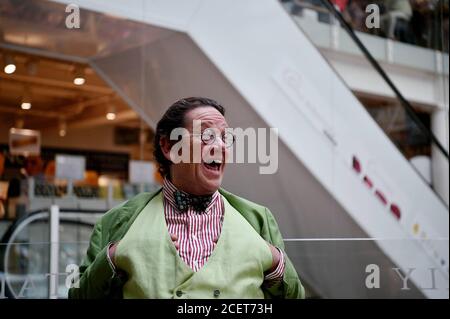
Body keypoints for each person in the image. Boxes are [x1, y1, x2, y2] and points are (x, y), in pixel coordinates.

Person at [69, 97, 304, 299]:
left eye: (225, 138)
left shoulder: (258, 220)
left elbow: (294, 296)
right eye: (207, 136)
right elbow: (78, 294)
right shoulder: (115, 223)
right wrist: (112, 257)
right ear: (169, 146)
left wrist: (275, 260)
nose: (220, 146)